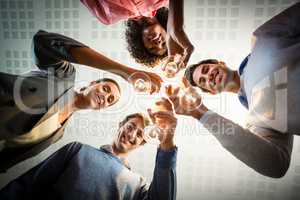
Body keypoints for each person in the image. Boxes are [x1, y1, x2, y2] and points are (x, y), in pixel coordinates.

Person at [169, 2, 300, 178]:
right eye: (204, 81)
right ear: (213, 92)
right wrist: (201, 113)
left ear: (219, 63)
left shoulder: (260, 38)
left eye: (207, 69)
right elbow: (276, 165)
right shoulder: (258, 122)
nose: (209, 76)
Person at [0, 30, 123, 172]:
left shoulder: (59, 134)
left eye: (110, 100)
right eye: (106, 89)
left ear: (101, 109)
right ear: (92, 83)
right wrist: (122, 71)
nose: (105, 97)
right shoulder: (65, 77)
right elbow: (42, 42)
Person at [0, 110, 178, 200]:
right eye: (130, 127)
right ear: (120, 125)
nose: (132, 135)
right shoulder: (77, 149)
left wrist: (167, 143)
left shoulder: (138, 184)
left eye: (139, 134)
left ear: (143, 142)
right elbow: (29, 184)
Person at [81, 0, 194, 69]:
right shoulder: (166, 1)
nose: (158, 43)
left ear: (141, 43)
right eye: (164, 43)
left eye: (152, 48)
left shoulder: (107, 16)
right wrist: (175, 27)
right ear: (166, 30)